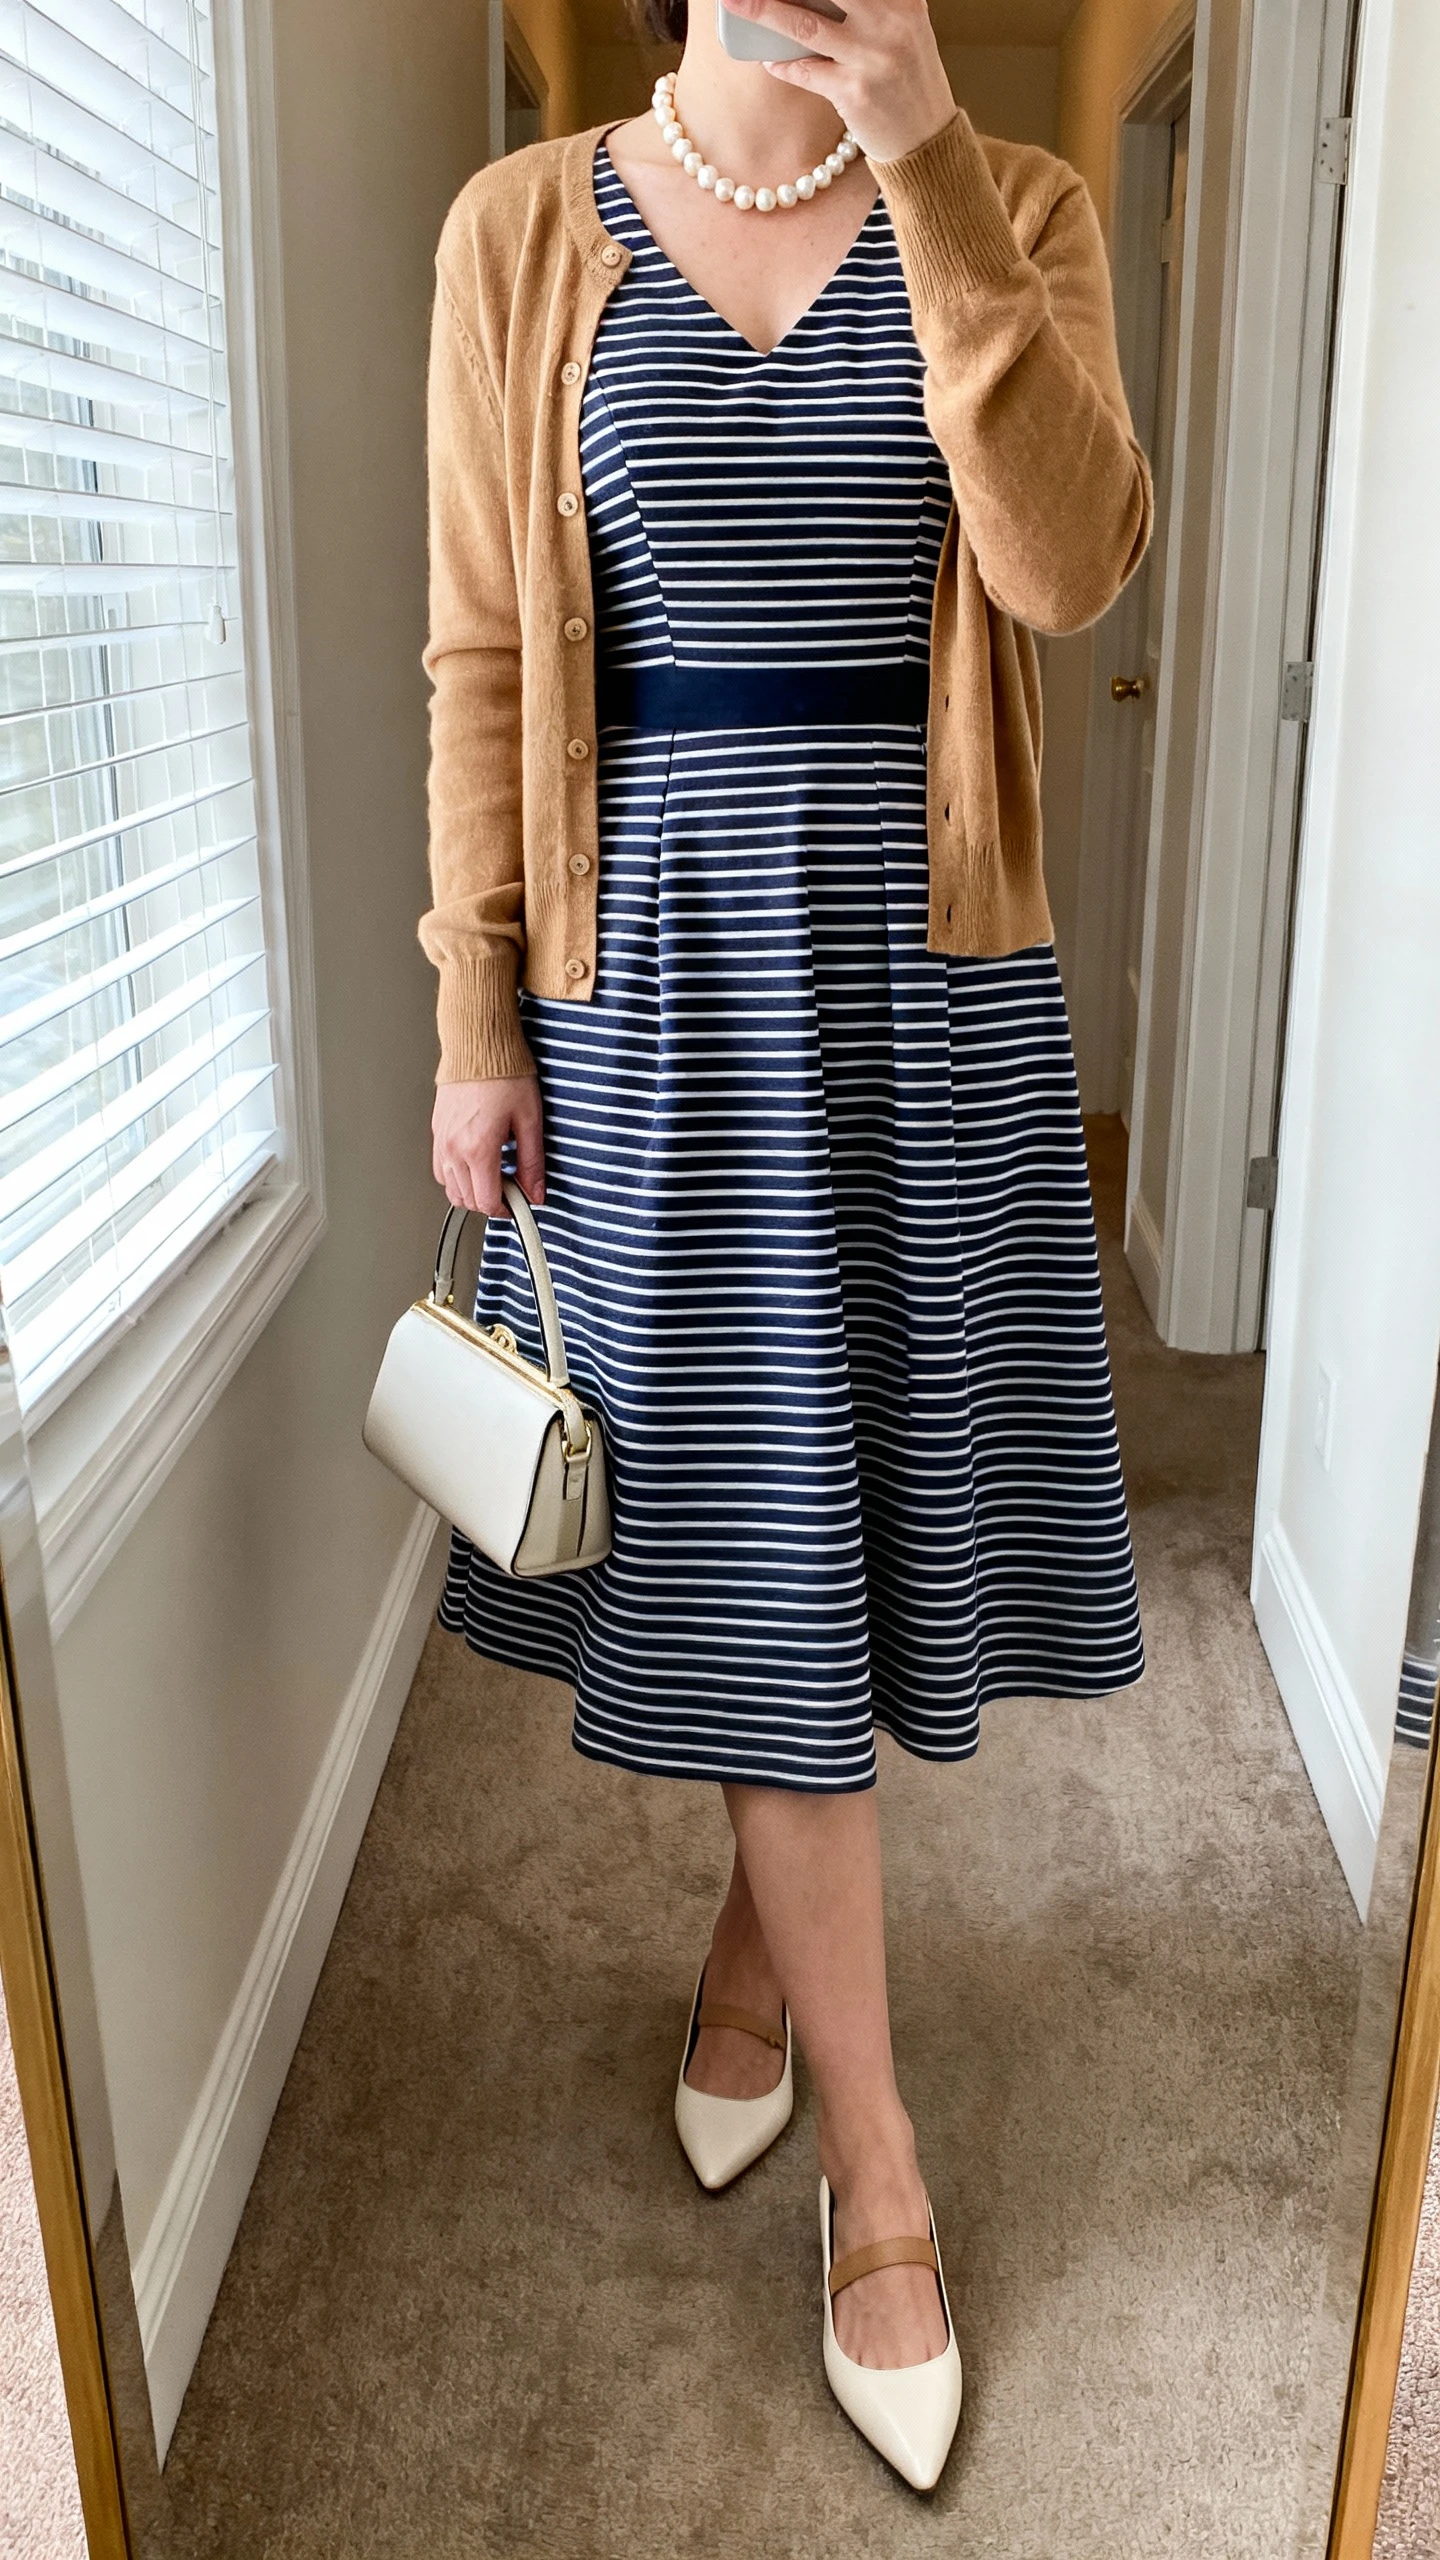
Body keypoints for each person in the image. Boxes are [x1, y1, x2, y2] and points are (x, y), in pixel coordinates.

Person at [420, 0, 1150, 2490]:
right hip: (645, 1004)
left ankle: (757, 1966)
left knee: (862, 1515)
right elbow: (487, 661)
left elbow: (1062, 565)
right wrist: (469, 1012)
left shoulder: (1020, 201)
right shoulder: (524, 229)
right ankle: (883, 2162)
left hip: (923, 983)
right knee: (739, 1544)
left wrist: (928, 151)